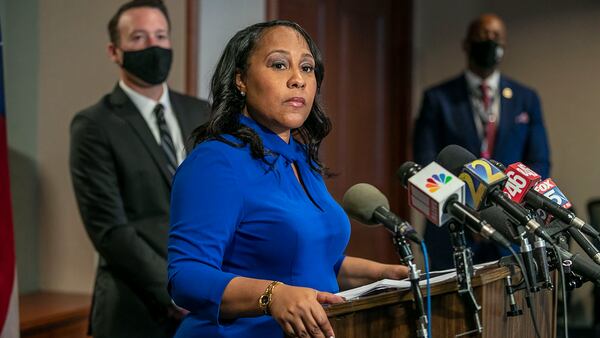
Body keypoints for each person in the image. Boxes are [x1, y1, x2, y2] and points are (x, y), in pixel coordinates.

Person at [167, 20, 408, 338]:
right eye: (279, 65)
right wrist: (272, 296)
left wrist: (384, 276)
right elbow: (186, 276)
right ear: (241, 79)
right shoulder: (216, 162)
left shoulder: (300, 159)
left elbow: (316, 260)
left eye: (307, 68)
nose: (298, 80)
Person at [69, 1, 210, 337]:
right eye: (139, 38)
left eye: (161, 36)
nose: (153, 46)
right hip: (134, 310)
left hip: (207, 301)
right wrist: (174, 289)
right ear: (115, 51)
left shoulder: (201, 113)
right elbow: (110, 230)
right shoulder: (94, 125)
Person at [412, 13, 551, 270]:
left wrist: (502, 213)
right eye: (482, 36)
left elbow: (539, 161)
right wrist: (470, 215)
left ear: (504, 46)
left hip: (511, 227)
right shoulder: (437, 98)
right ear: (466, 44)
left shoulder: (525, 98)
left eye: (496, 37)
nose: (489, 41)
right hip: (453, 229)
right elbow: (426, 165)